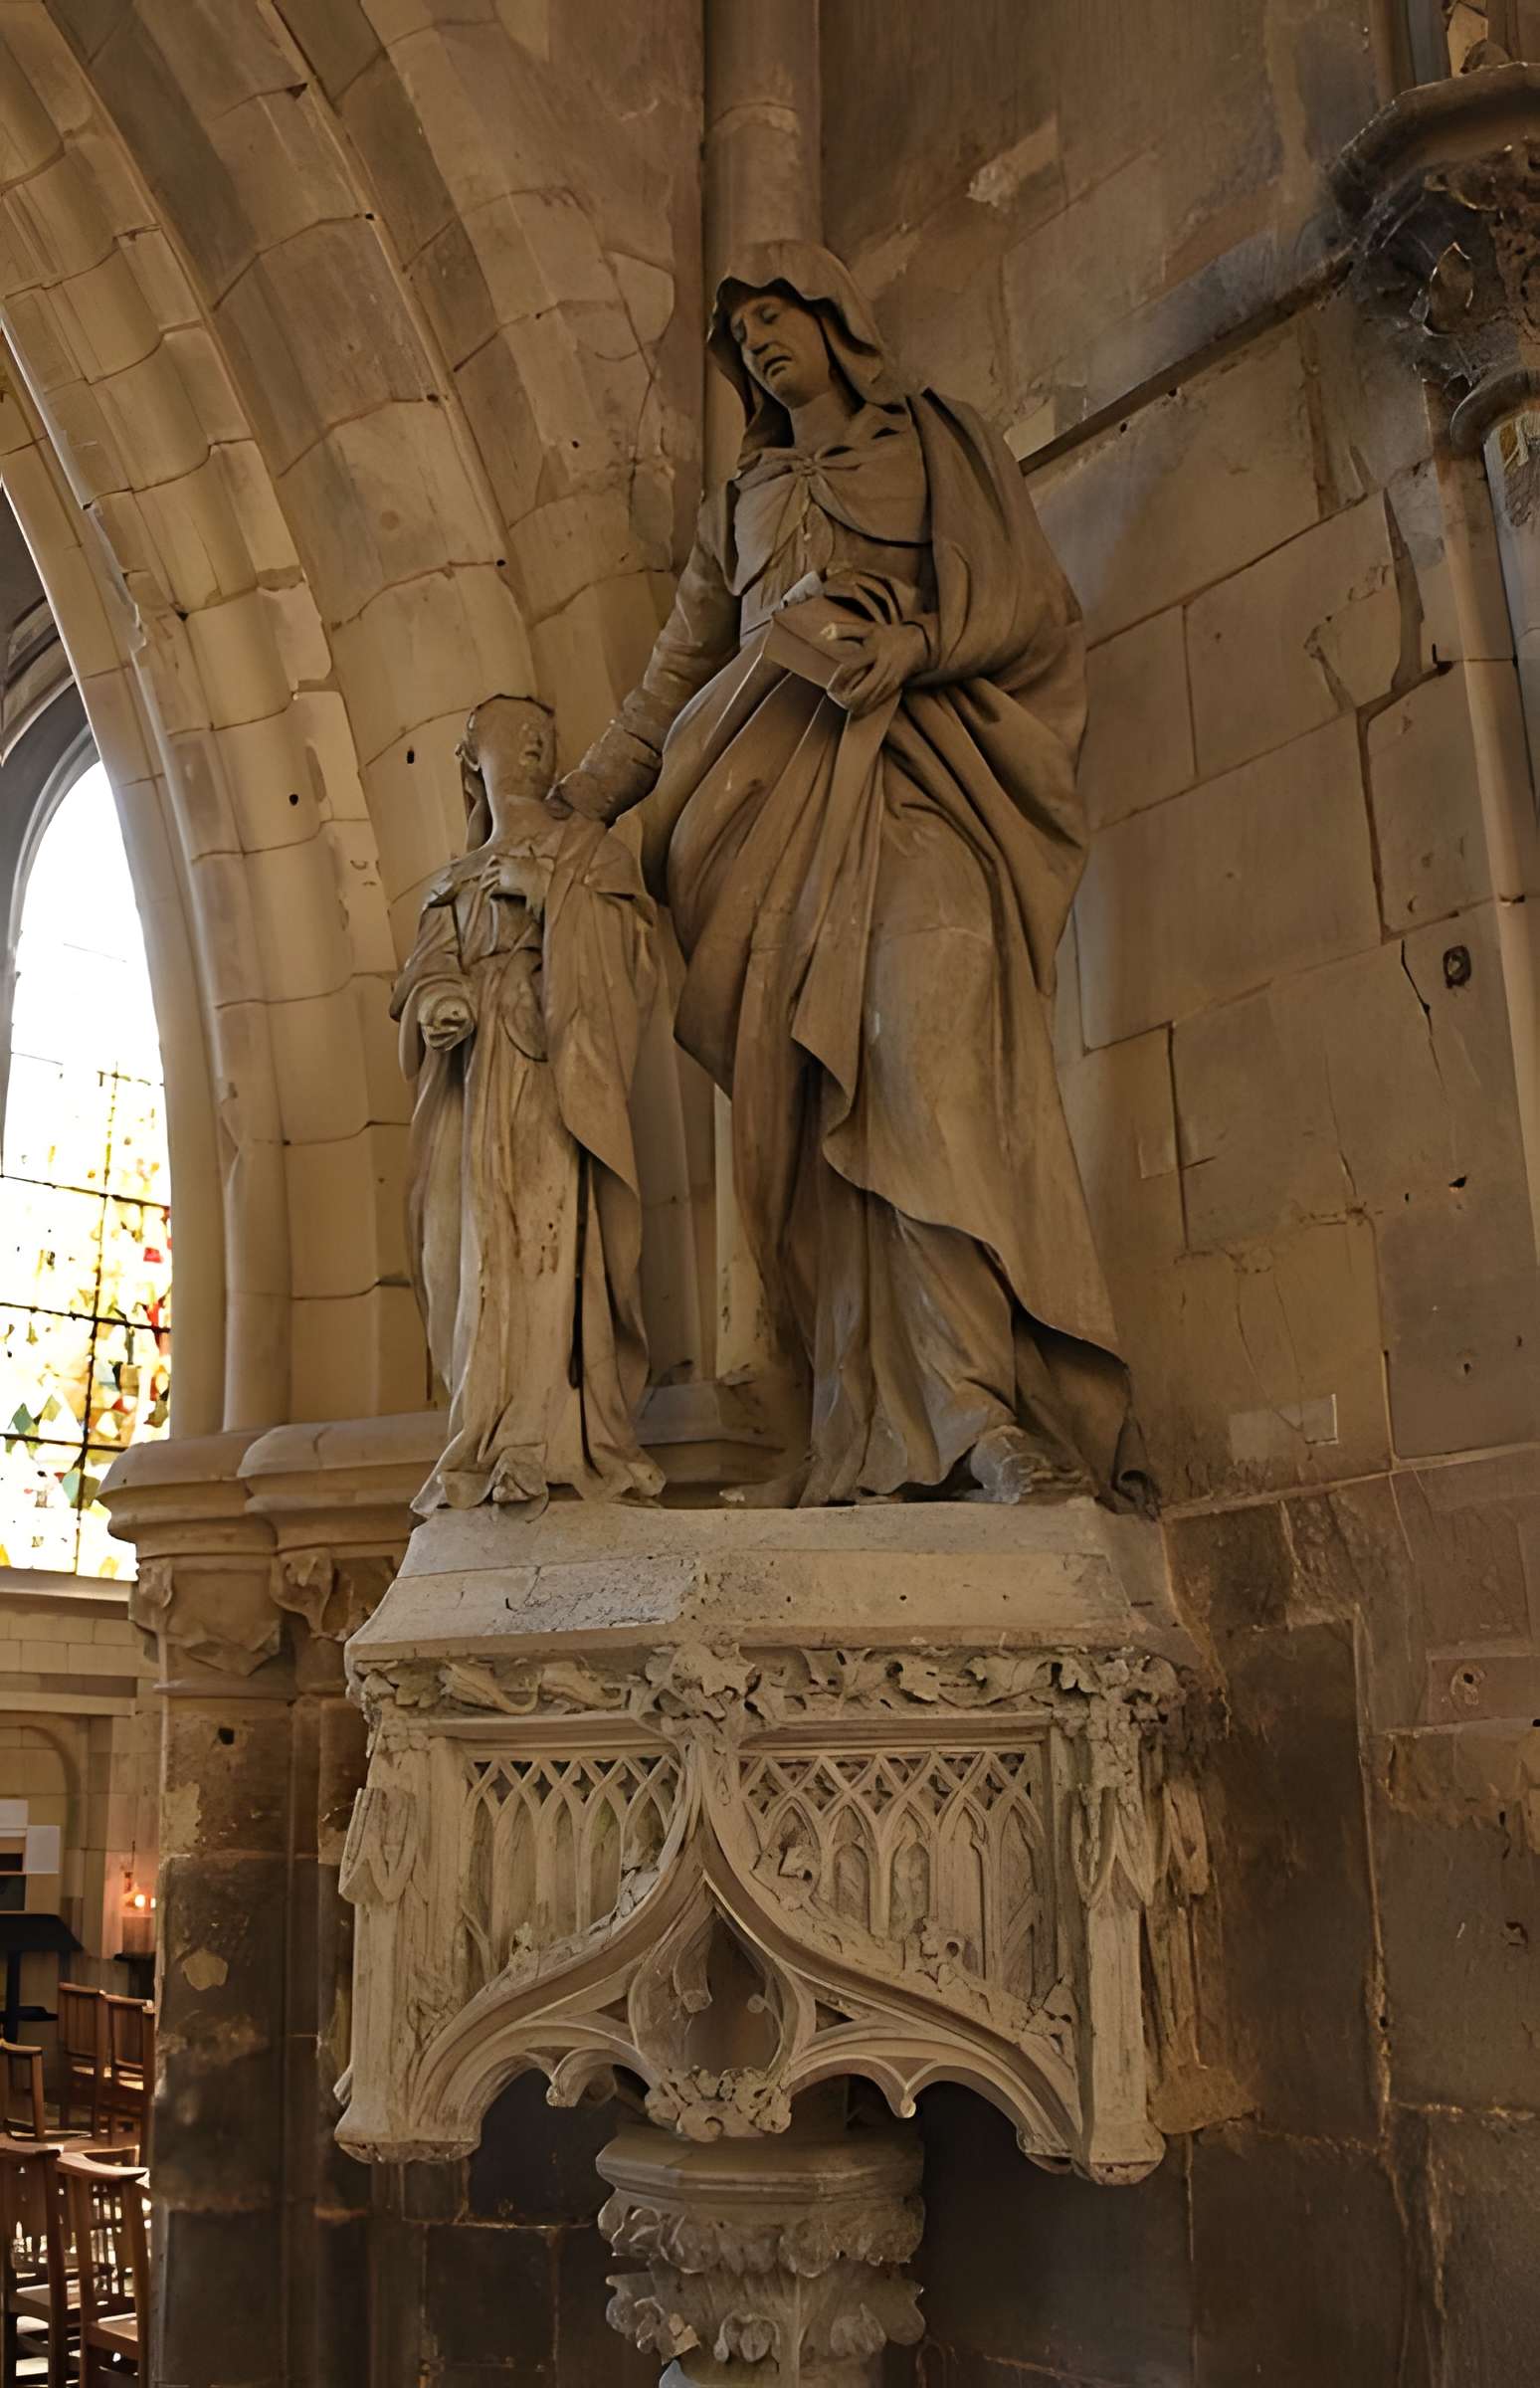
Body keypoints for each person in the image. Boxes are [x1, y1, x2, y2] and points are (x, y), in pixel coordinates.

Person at [552, 243, 1151, 1512]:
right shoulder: (741, 500)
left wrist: (917, 645)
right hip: (765, 809)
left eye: (781, 315)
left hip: (922, 776)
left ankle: (984, 1410)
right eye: (745, 331)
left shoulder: (935, 440)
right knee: (812, 1125)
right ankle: (860, 1426)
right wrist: (567, 813)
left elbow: (1035, 605)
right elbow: (671, 681)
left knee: (928, 1063)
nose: (764, 342)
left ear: (836, 321)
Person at [394, 694, 664, 1513]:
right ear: (475, 761)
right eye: (516, 734)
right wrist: (439, 1001)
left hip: (551, 1068)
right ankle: (479, 1430)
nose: (538, 745)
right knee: (469, 1257)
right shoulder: (450, 882)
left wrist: (552, 898)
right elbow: (421, 975)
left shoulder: (590, 855)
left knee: (547, 1252)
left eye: (547, 734)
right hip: (472, 1092)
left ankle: (541, 1439)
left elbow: (634, 957)